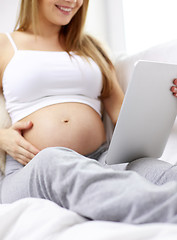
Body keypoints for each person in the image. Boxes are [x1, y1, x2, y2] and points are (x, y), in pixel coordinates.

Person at [1, 0, 177, 224]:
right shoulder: (5, 44)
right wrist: (2, 137)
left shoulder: (92, 47)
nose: (74, 1)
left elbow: (124, 116)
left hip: (101, 160)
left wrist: (166, 98)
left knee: (158, 171)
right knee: (55, 160)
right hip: (33, 167)